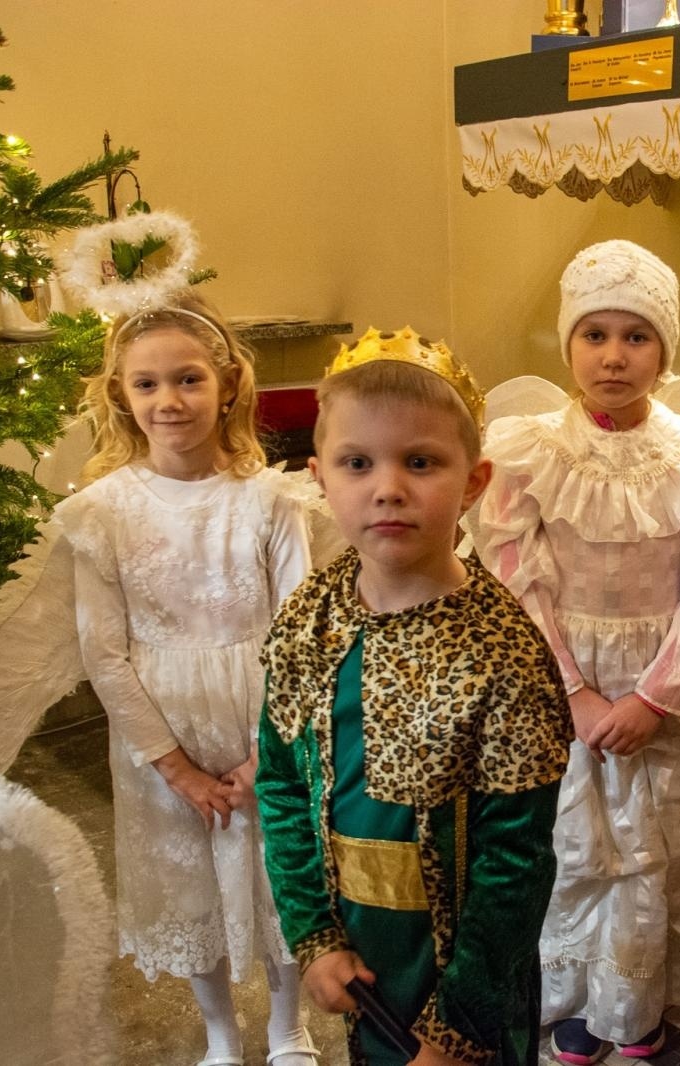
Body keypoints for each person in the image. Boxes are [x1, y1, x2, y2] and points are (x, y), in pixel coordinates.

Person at [473, 240, 680, 1064]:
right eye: (594, 334)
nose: (613, 355)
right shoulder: (525, 450)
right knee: (571, 845)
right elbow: (515, 585)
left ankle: (638, 1001)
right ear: (568, 345)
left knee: (654, 844)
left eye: (636, 336)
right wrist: (574, 695)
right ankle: (572, 995)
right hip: (559, 685)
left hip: (659, 690)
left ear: (664, 350)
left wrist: (651, 699)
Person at [255, 328, 573, 1066]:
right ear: (319, 477)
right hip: (359, 946)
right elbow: (279, 783)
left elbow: (517, 861)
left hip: (466, 970)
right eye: (357, 463)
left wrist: (457, 1023)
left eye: (420, 461)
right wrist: (315, 935)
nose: (388, 487)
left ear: (473, 480)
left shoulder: (504, 653)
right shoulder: (308, 620)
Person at [65, 288, 318, 1066]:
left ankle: (288, 1027)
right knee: (186, 889)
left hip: (262, 722)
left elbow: (301, 638)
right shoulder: (101, 512)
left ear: (229, 384)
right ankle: (218, 1034)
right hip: (158, 736)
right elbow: (102, 652)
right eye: (147, 384)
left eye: (188, 379)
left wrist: (259, 759)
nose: (169, 400)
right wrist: (175, 768)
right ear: (121, 396)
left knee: (278, 882)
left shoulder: (273, 500)